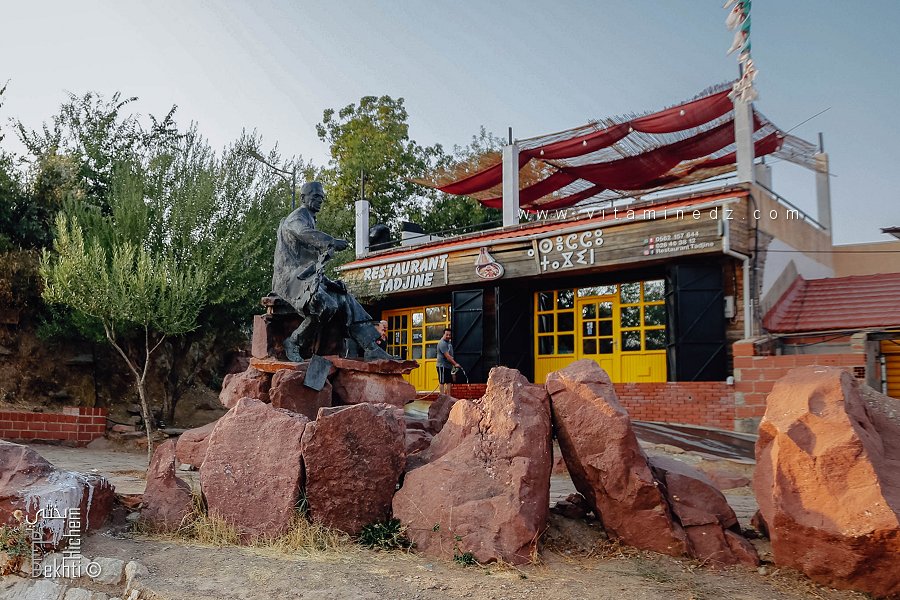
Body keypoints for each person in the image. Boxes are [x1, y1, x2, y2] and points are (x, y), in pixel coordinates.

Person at [271, 181, 390, 361]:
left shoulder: (310, 218)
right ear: (303, 197)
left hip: (303, 277)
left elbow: (311, 264)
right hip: (289, 279)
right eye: (316, 196)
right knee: (326, 304)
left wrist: (329, 282)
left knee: (346, 299)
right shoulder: (297, 218)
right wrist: (332, 241)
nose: (320, 200)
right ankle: (294, 341)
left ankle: (371, 347)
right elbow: (304, 234)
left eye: (322, 197)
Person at [436, 328, 461, 396]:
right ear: (443, 334)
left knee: (449, 381)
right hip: (442, 366)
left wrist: (453, 366)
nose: (448, 336)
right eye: (447, 335)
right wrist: (455, 364)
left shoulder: (448, 343)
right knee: (442, 381)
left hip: (448, 366)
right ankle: (442, 396)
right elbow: (448, 356)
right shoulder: (442, 343)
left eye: (449, 335)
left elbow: (451, 355)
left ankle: (449, 396)